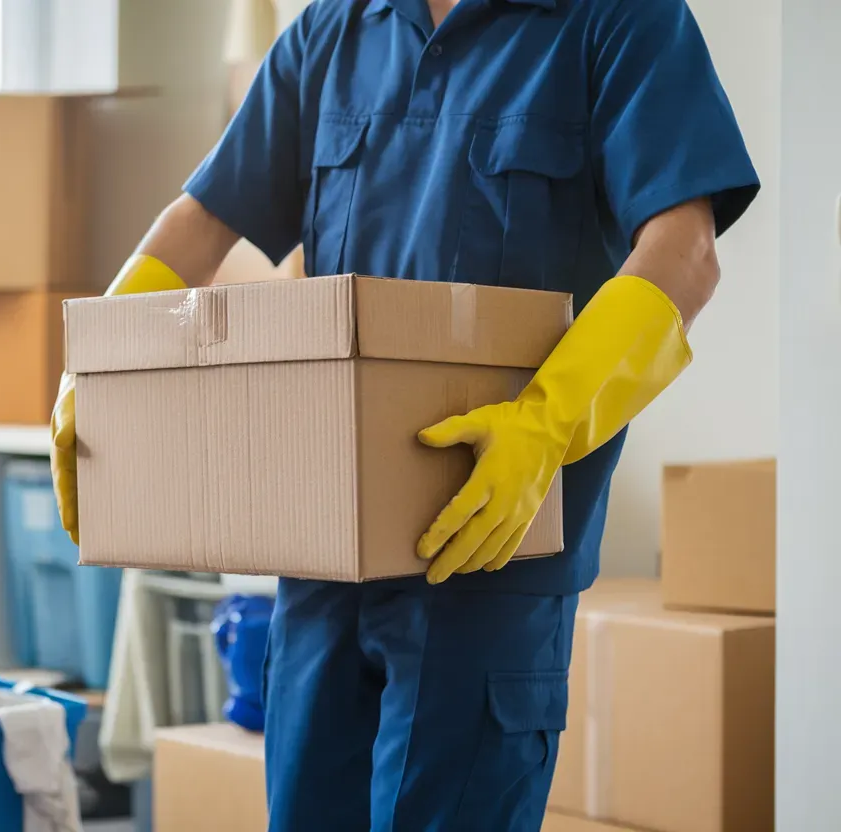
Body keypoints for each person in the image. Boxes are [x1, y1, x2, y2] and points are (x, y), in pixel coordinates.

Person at [50, 0, 760, 828]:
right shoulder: (334, 31)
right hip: (322, 560)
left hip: (487, 561)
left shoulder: (615, 19)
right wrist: (95, 368)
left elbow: (686, 250)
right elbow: (200, 222)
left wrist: (546, 422)